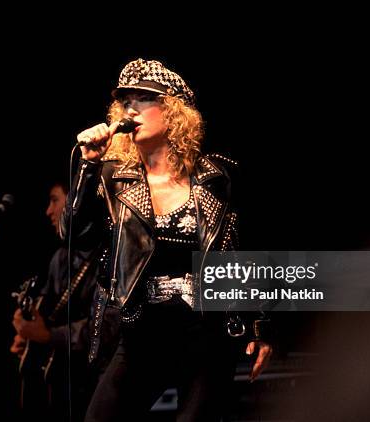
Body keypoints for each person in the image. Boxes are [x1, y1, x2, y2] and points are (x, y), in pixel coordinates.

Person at [62, 58, 274, 421]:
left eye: (143, 98)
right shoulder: (112, 177)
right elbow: (76, 236)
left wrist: (260, 327)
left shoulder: (217, 177)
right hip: (139, 335)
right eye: (126, 100)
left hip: (205, 335)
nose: (131, 107)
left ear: (173, 110)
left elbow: (245, 253)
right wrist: (88, 167)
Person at [10, 181, 110, 421]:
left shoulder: (108, 255)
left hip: (93, 380)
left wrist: (47, 336)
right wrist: (27, 334)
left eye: (55, 200)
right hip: (61, 384)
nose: (48, 211)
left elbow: (107, 328)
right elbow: (47, 313)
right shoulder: (61, 257)